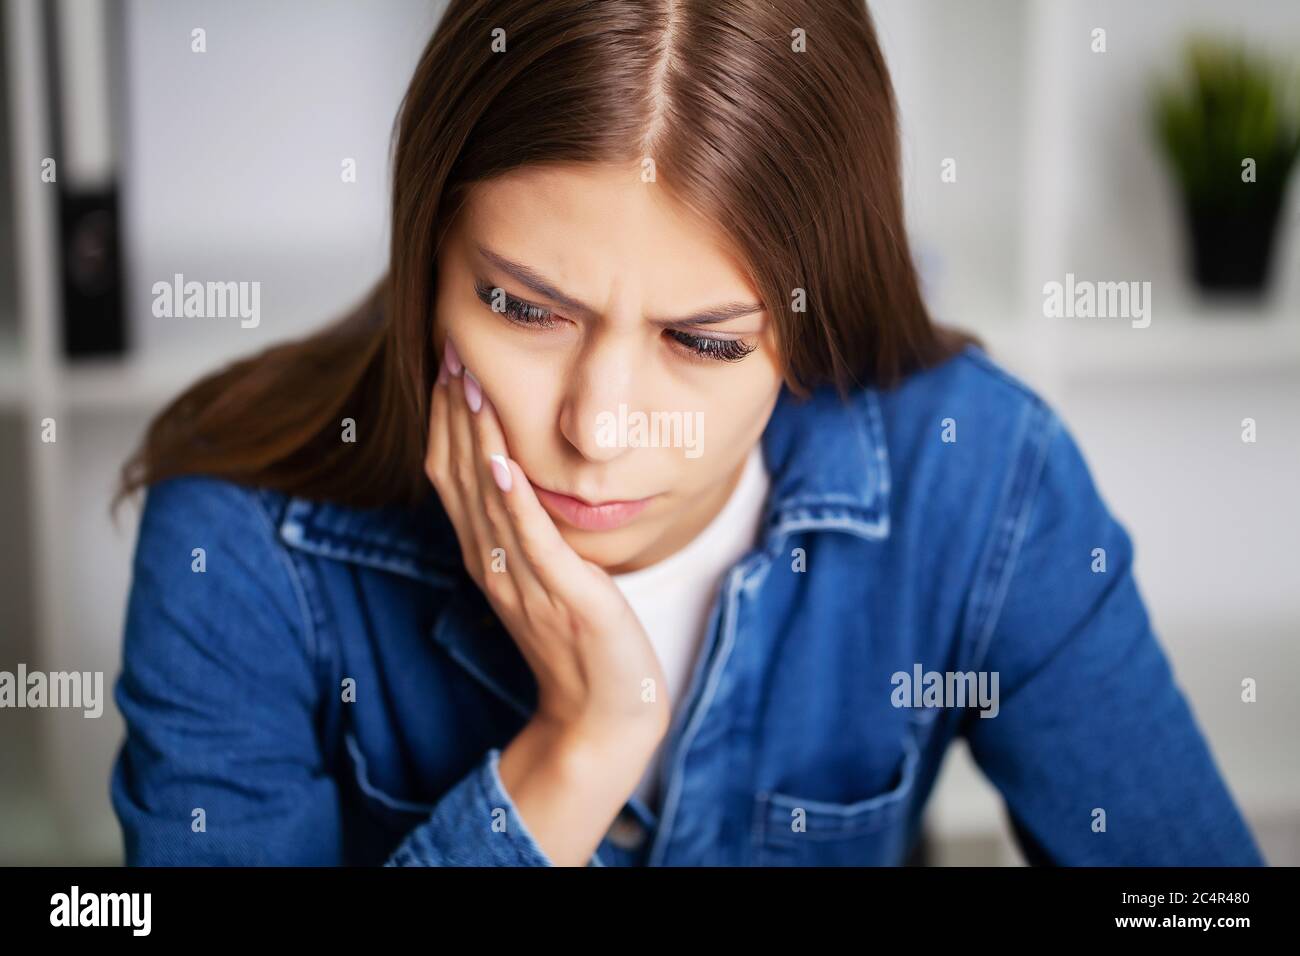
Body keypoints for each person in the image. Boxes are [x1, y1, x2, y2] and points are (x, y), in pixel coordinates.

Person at [108, 0, 1264, 866]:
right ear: (425, 260)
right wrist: (574, 749)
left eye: (704, 341)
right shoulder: (240, 532)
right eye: (521, 306)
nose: (600, 427)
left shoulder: (979, 480)